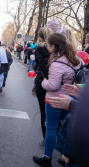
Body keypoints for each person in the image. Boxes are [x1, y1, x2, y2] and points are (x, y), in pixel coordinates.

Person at [33, 33, 83, 167]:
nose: (47, 48)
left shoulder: (57, 63)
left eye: (48, 45)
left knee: (51, 128)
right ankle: (66, 156)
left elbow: (53, 85)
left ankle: (47, 158)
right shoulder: (76, 58)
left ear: (54, 46)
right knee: (67, 127)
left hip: (55, 99)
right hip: (70, 98)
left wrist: (43, 82)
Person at [34, 27, 53, 150]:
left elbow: (38, 64)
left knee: (43, 112)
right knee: (56, 112)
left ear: (41, 37)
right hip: (56, 81)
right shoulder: (58, 49)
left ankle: (46, 140)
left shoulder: (39, 49)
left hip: (42, 81)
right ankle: (55, 138)